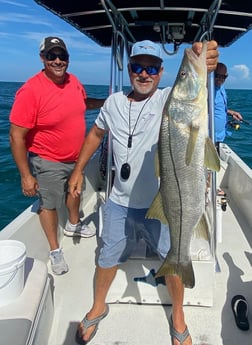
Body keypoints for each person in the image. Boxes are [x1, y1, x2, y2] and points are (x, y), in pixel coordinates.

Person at [68, 40, 219, 345]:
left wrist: (205, 62)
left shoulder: (168, 100)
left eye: (152, 68)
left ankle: (178, 315)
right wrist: (77, 169)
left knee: (173, 256)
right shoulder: (112, 103)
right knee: (106, 257)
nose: (144, 74)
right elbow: (96, 134)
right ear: (130, 70)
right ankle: (99, 305)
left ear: (161, 73)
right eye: (138, 66)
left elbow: (191, 89)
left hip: (162, 202)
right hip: (118, 202)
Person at [9, 36, 104, 276]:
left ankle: (73, 224)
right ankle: (54, 250)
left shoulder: (74, 81)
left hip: (75, 157)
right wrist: (26, 176)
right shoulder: (30, 91)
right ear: (43, 58)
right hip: (47, 160)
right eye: (52, 56)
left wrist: (107, 102)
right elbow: (16, 136)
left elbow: (82, 103)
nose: (58, 60)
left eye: (62, 56)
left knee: (74, 192)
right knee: (49, 204)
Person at [214, 62, 243, 154]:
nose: (220, 79)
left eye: (223, 77)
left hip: (219, 138)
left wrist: (231, 112)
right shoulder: (207, 89)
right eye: (217, 75)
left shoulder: (221, 87)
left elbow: (218, 108)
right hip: (208, 138)